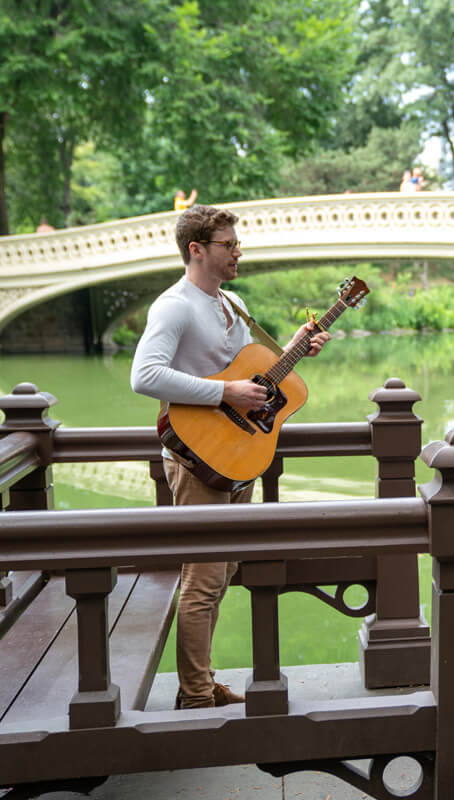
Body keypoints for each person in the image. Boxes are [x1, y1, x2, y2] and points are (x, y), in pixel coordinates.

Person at [131, 205, 330, 709]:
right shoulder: (174, 306)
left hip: (235, 452)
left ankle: (201, 681)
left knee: (221, 575)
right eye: (228, 244)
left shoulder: (231, 302)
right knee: (202, 579)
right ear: (196, 250)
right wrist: (224, 396)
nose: (238, 251)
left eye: (236, 243)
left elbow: (250, 371)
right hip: (196, 458)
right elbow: (144, 376)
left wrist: (295, 347)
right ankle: (195, 694)